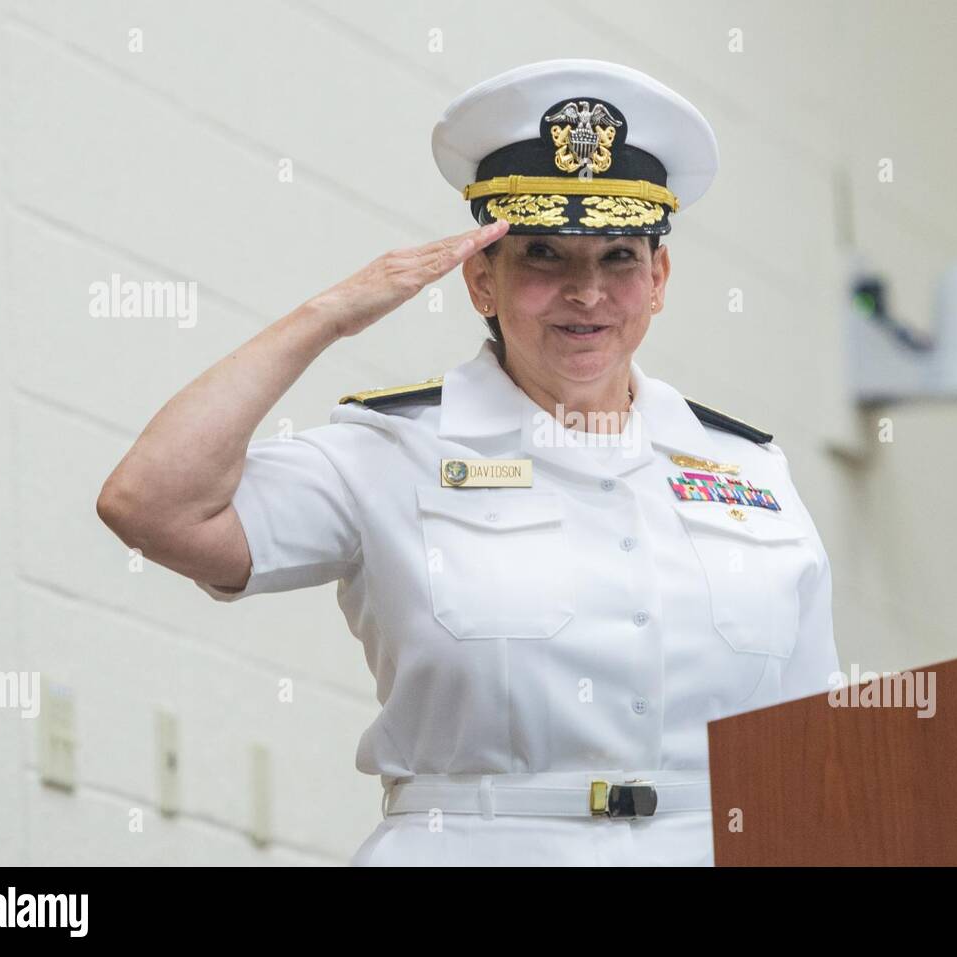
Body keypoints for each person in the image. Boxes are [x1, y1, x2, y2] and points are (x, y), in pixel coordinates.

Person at [96, 58, 840, 867]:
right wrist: (330, 315)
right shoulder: (391, 449)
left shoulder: (751, 471)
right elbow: (150, 504)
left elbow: (819, 753)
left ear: (658, 278)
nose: (587, 293)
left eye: (619, 257)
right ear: (481, 279)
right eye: (545, 257)